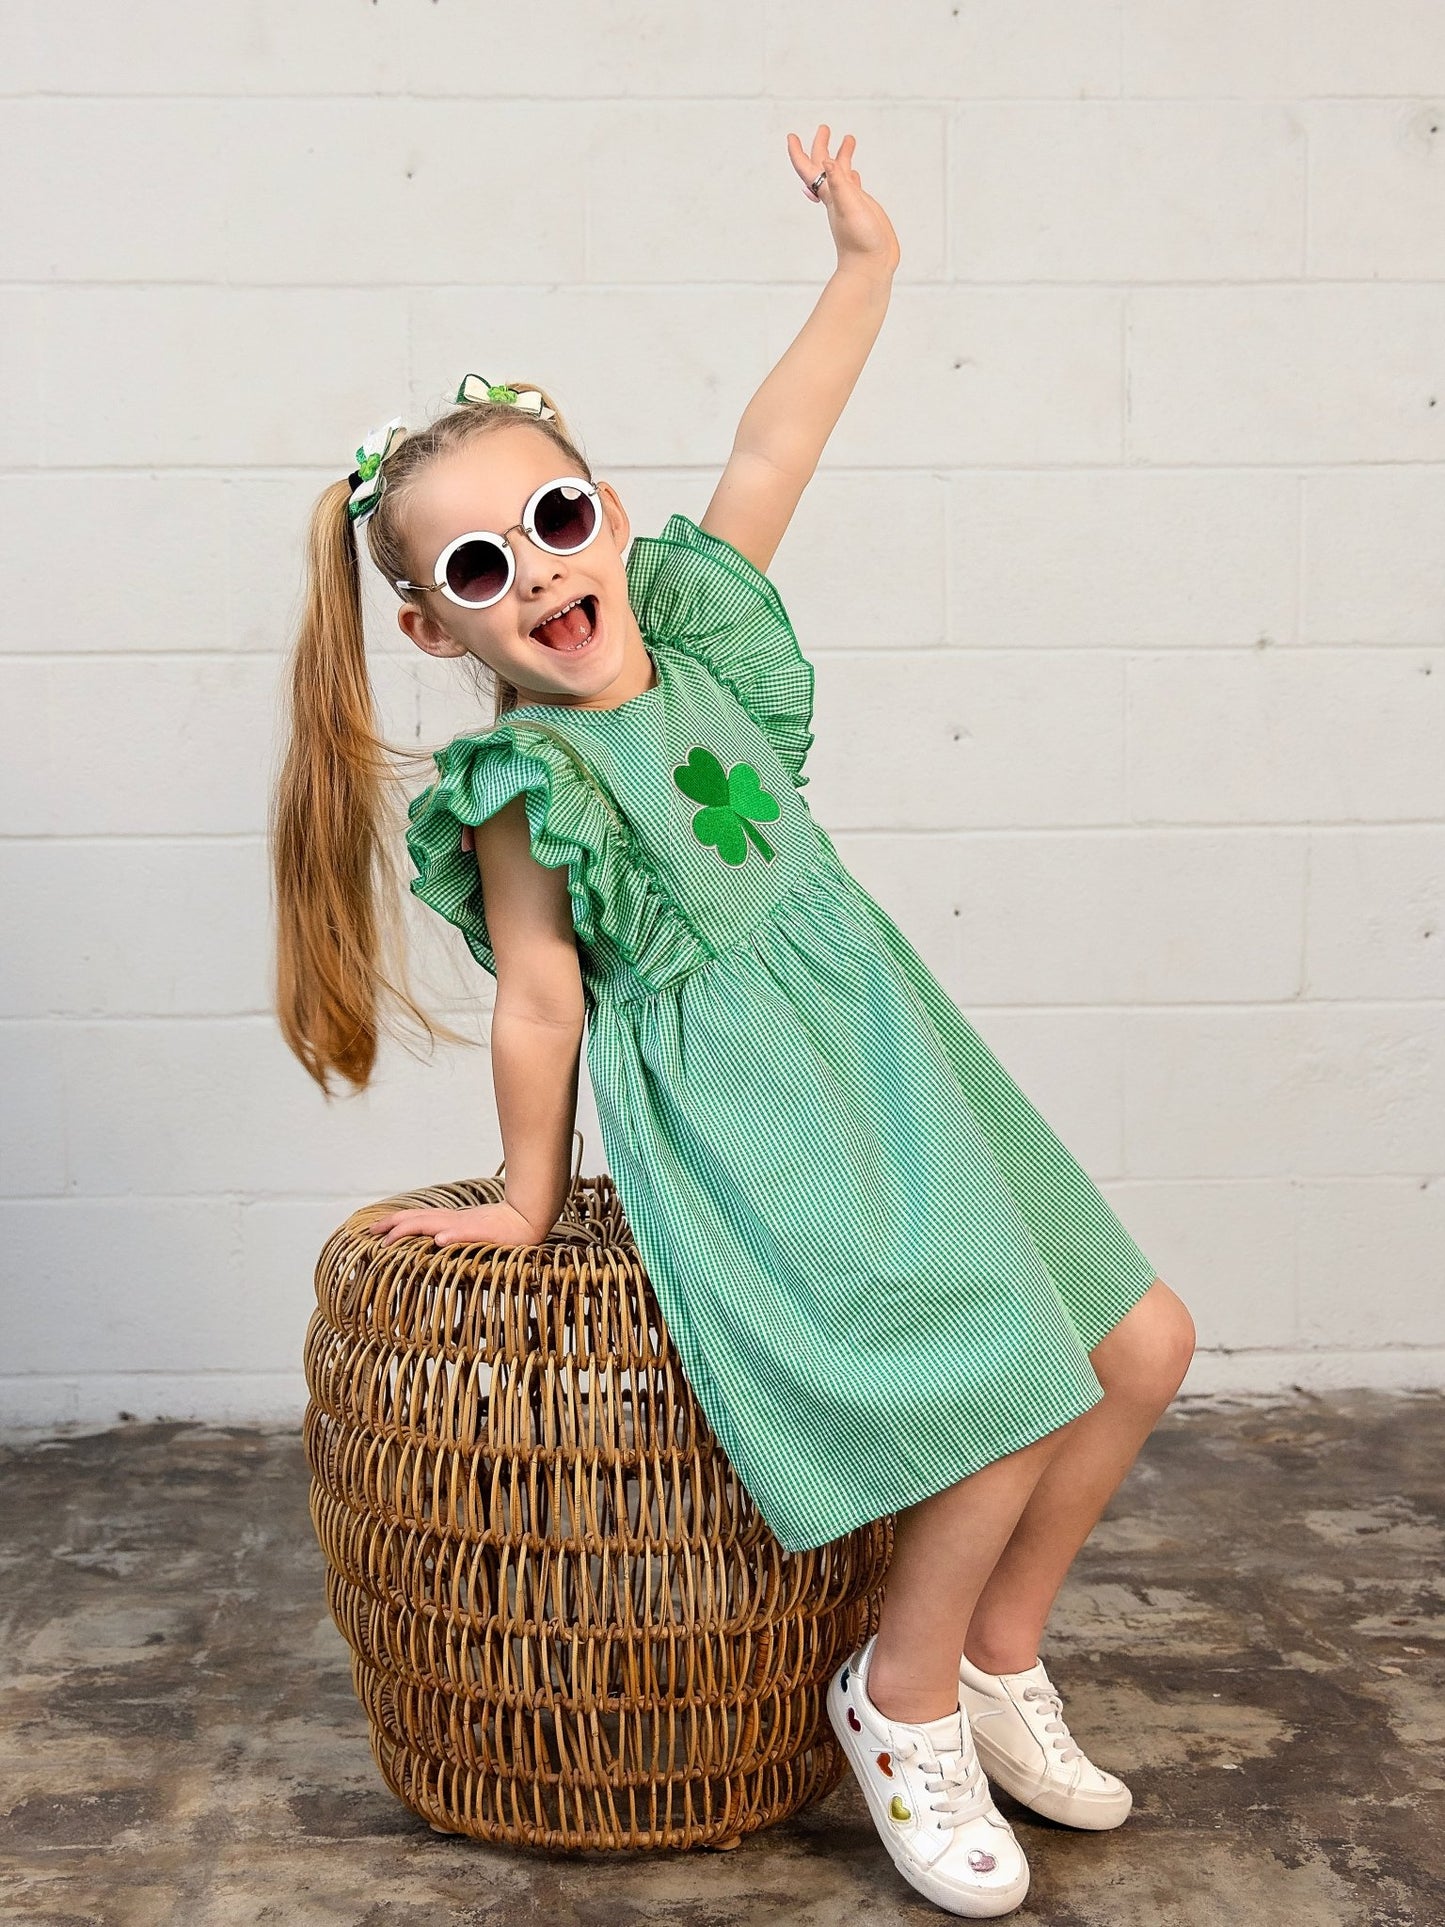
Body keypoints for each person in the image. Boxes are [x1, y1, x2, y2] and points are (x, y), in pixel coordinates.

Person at [272, 125, 1196, 1920]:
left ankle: (996, 1658)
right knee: (1004, 1387)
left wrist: (862, 268)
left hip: (891, 1051)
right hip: (751, 1108)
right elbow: (541, 999)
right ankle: (896, 1695)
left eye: (552, 520)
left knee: (1139, 1341)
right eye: (478, 570)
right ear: (434, 626)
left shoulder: (701, 640)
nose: (536, 575)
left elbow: (777, 443)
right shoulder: (523, 780)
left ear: (602, 515)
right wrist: (531, 1198)